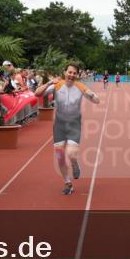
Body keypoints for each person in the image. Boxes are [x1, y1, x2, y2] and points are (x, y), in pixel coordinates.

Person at [34, 62, 100, 195]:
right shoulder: (57, 86)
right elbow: (37, 93)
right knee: (60, 155)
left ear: (77, 75)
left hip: (74, 125)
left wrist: (92, 95)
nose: (72, 75)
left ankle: (75, 163)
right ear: (65, 72)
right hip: (59, 125)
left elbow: (96, 100)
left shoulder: (80, 87)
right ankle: (67, 182)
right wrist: (49, 83)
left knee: (70, 153)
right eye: (69, 72)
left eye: (74, 73)